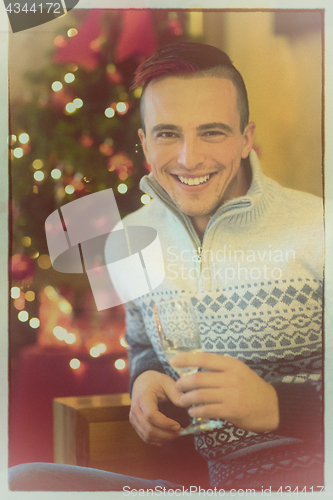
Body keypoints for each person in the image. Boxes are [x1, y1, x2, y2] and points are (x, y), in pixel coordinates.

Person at [9, 42, 323, 491]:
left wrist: (278, 405)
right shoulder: (125, 239)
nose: (189, 158)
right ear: (144, 143)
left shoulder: (318, 228)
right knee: (25, 482)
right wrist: (145, 381)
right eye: (167, 134)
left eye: (213, 132)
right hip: (201, 489)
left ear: (246, 137)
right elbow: (142, 346)